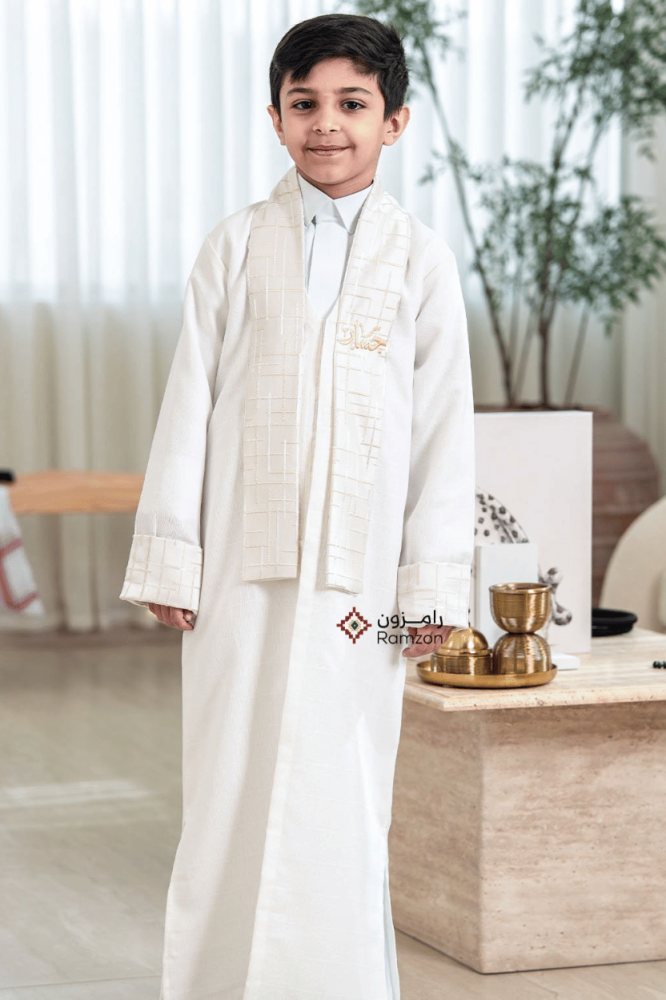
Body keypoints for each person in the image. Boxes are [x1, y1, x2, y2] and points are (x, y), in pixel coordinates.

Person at [119, 12, 475, 1000]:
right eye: (304, 103)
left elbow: (444, 432)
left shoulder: (421, 261)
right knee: (228, 777)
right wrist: (174, 553)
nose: (327, 123)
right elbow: (188, 405)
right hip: (241, 568)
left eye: (352, 104)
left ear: (394, 122)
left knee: (344, 785)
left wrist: (429, 589)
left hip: (362, 590)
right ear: (274, 118)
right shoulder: (233, 248)